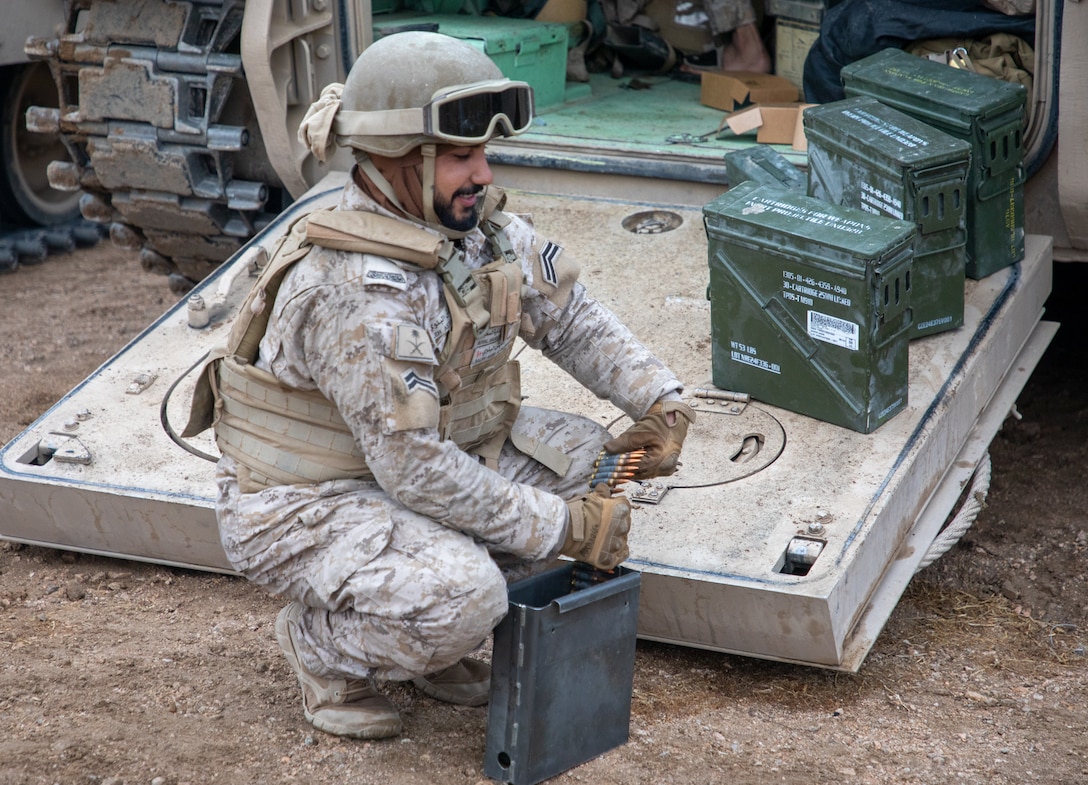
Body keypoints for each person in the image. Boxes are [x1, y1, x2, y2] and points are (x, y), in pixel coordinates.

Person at [183, 30, 694, 741]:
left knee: (592, 467)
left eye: (484, 153)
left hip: (405, 465)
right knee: (467, 595)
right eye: (460, 156)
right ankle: (325, 649)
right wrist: (563, 528)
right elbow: (416, 470)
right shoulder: (353, 292)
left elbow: (569, 316)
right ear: (396, 159)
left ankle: (424, 644)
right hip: (307, 501)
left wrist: (658, 399)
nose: (483, 173)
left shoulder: (476, 229)